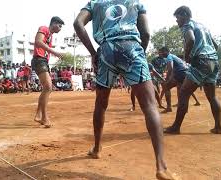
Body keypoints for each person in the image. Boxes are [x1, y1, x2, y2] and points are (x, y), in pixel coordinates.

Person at [74, 1, 176, 179]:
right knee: (150, 106)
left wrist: (93, 53)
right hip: (132, 47)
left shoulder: (94, 3)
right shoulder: (135, 2)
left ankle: (97, 148)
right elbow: (146, 32)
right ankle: (161, 166)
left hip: (106, 50)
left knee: (101, 104)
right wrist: (139, 54)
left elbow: (77, 23)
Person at [164, 6, 221, 134]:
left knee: (184, 93)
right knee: (212, 96)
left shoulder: (188, 25)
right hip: (213, 61)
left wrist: (187, 57)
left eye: (178, 17)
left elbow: (190, 39)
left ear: (185, 15)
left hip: (201, 61)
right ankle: (218, 127)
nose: (177, 21)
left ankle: (176, 127)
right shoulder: (203, 26)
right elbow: (216, 45)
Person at [31, 16, 65, 128]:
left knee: (47, 88)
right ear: (54, 23)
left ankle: (38, 114)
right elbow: (38, 41)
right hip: (39, 60)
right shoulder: (44, 28)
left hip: (43, 61)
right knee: (48, 87)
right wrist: (54, 52)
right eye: (59, 26)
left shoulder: (50, 35)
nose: (60, 28)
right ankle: (44, 117)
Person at [158, 47, 200, 111]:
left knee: (166, 87)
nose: (160, 54)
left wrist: (167, 79)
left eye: (161, 52)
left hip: (180, 74)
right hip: (185, 74)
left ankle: (169, 107)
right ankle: (183, 107)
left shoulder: (169, 57)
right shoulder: (173, 56)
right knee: (182, 91)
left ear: (166, 51)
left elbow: (170, 68)